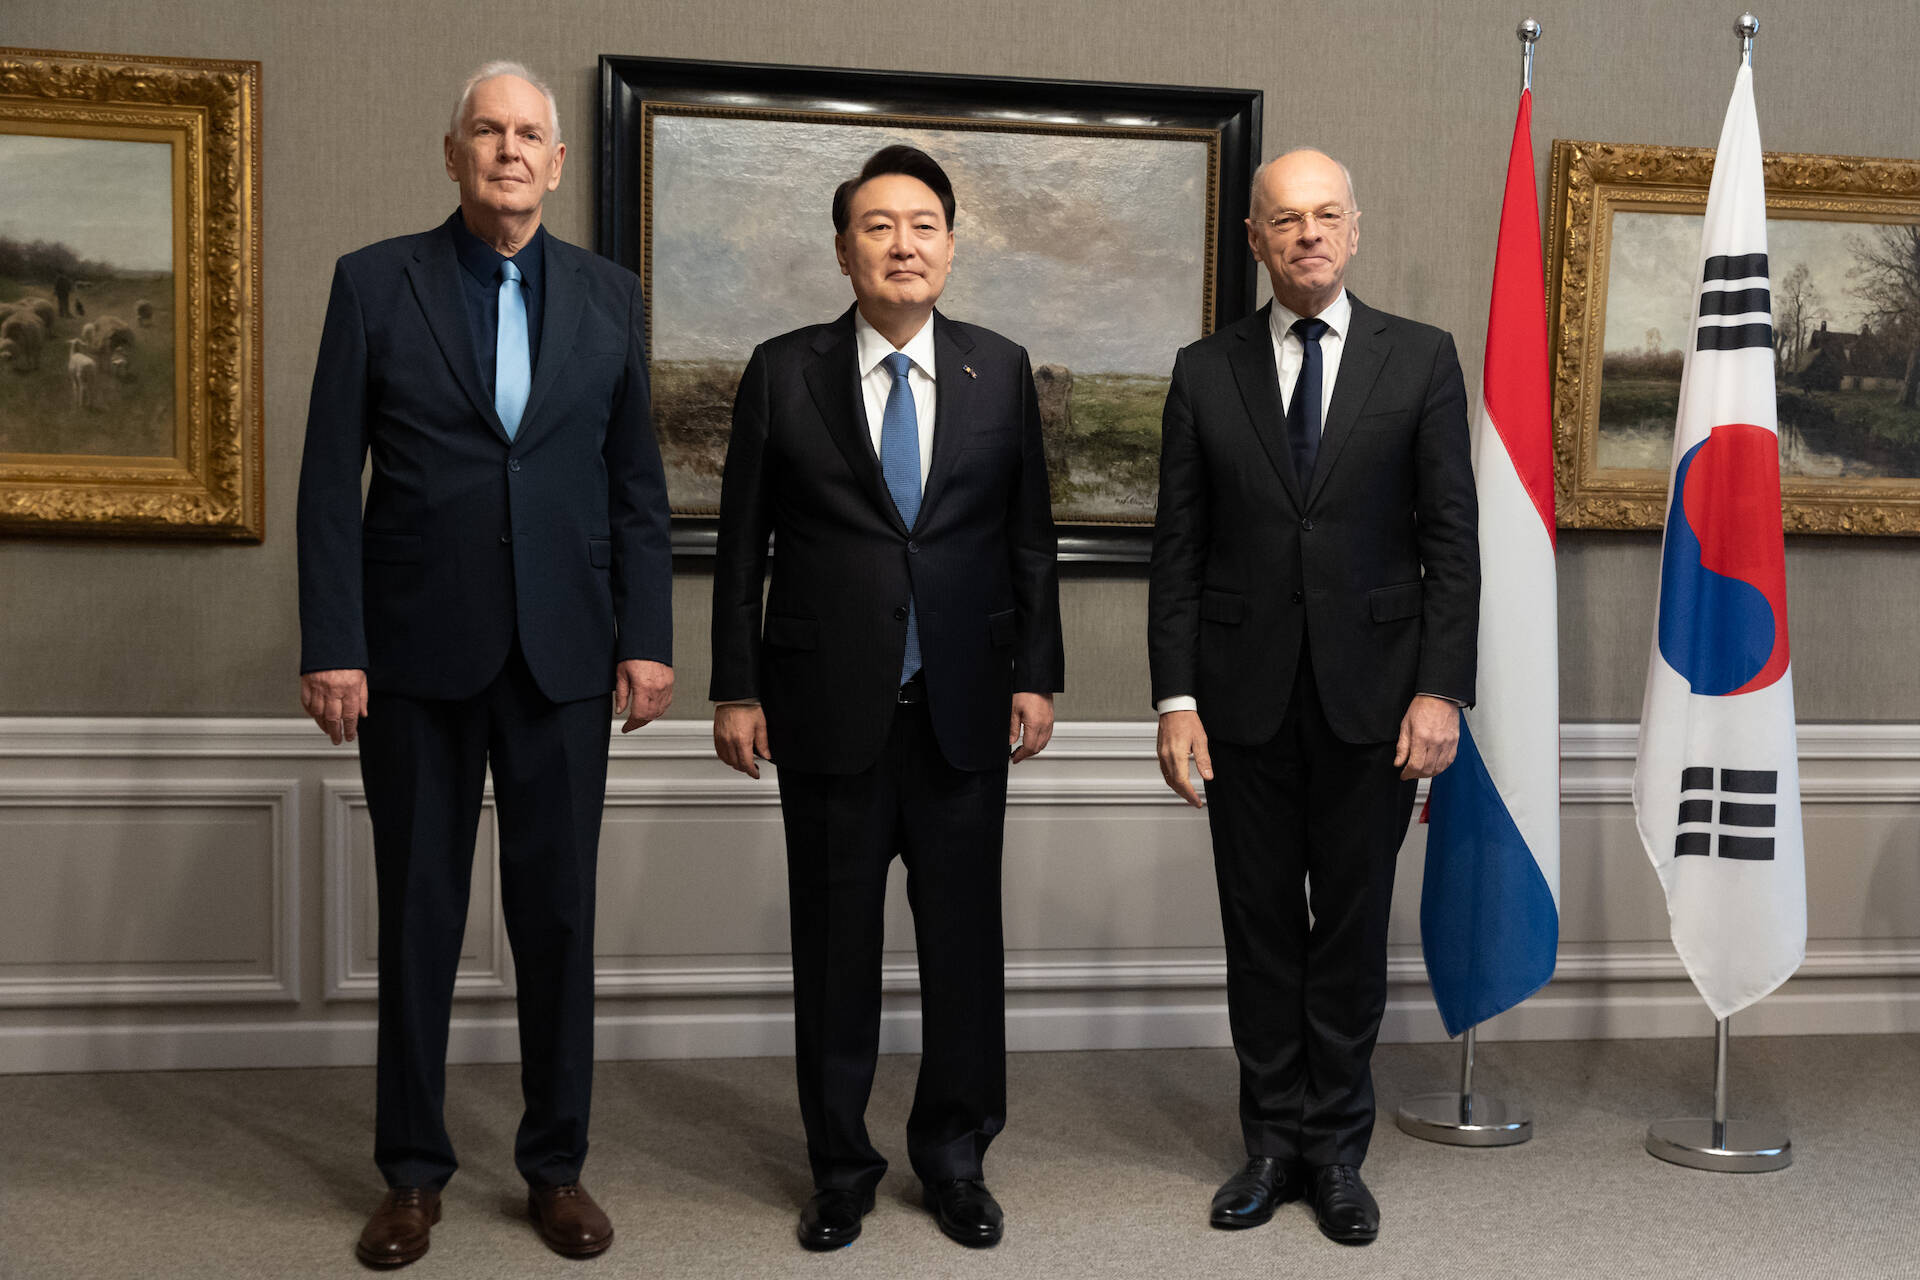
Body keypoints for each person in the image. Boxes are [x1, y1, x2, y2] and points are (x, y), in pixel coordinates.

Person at [295, 60, 673, 1268]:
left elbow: (638, 492)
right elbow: (325, 490)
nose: (510, 151)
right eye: (487, 132)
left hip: (567, 655)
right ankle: (411, 1173)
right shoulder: (372, 284)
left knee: (558, 917)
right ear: (450, 152)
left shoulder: (613, 297)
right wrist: (335, 644)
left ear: (557, 165)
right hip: (414, 655)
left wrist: (648, 637)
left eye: (530, 136)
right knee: (418, 917)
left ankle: (555, 1165)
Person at [709, 144, 1063, 1253]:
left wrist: (1039, 671)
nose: (903, 244)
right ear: (843, 248)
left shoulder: (999, 369)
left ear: (951, 245)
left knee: (963, 950)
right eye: (878, 225)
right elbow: (740, 548)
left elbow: (1029, 541)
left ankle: (956, 1161)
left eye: (923, 225)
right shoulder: (782, 370)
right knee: (835, 950)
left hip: (965, 706)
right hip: (823, 708)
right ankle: (841, 1167)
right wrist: (736, 686)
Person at [1148, 148, 1478, 1246]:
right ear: (1254, 238)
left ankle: (1336, 1150)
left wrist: (1440, 690)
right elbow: (1179, 553)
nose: (1308, 234)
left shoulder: (1421, 360)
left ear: (1355, 227)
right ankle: (1270, 1145)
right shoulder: (1204, 370)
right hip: (1238, 705)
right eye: (1285, 219)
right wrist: (1174, 697)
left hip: (1377, 706)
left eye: (1326, 214)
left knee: (1346, 932)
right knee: (1259, 934)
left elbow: (1452, 544)